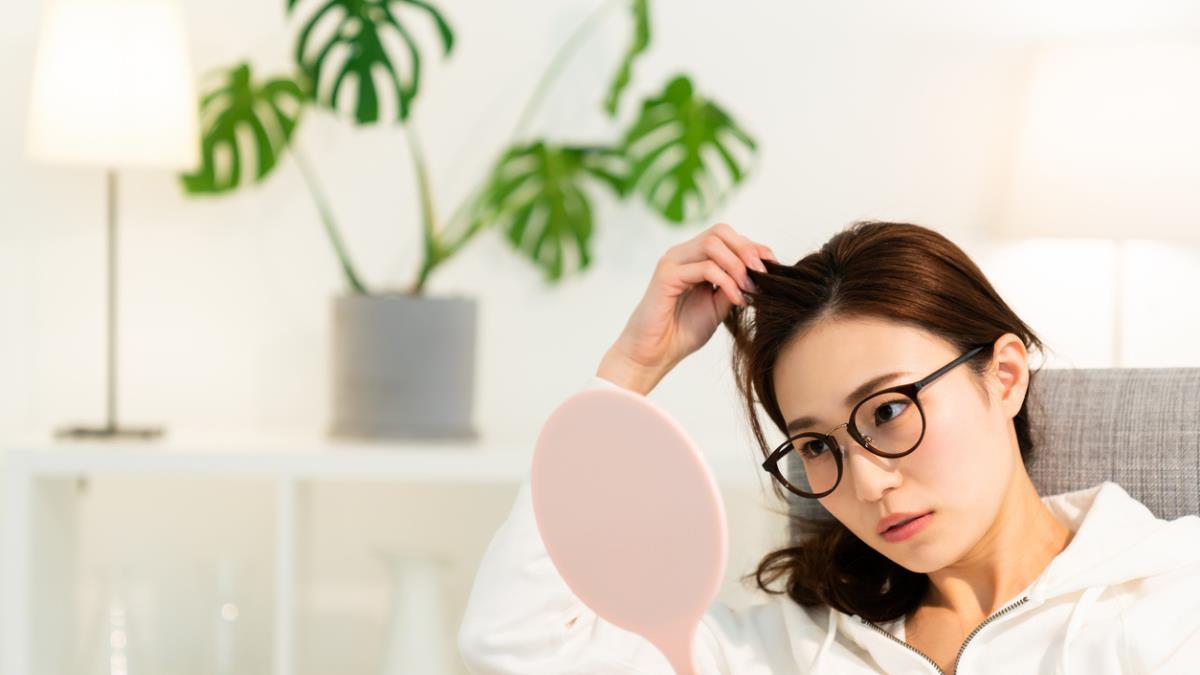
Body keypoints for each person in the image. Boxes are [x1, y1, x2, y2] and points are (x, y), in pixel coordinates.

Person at [457, 221, 1200, 674]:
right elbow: (514, 640)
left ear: (1003, 375)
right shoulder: (781, 647)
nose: (867, 482)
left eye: (887, 410)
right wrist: (627, 375)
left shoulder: (1171, 596)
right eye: (816, 444)